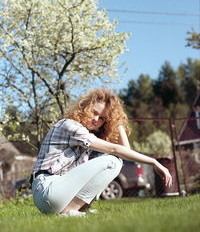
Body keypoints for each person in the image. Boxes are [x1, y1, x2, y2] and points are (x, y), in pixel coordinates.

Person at [31, 87, 172, 217]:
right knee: (113, 161)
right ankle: (71, 210)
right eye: (94, 112)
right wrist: (153, 161)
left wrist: (117, 123)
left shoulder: (85, 136)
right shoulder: (69, 125)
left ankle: (73, 210)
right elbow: (115, 149)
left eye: (102, 118)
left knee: (116, 161)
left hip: (56, 195)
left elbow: (125, 150)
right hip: (47, 189)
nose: (95, 119)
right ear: (85, 107)